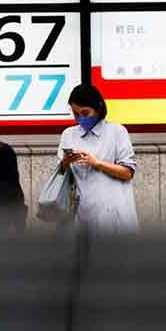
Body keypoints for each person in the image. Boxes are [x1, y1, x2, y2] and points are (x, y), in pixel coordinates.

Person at [57, 84, 137, 235]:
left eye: (85, 113)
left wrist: (96, 163)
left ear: (98, 107)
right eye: (75, 114)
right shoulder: (68, 135)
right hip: (83, 214)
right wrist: (65, 163)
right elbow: (61, 176)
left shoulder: (117, 131)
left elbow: (127, 172)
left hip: (115, 214)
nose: (81, 118)